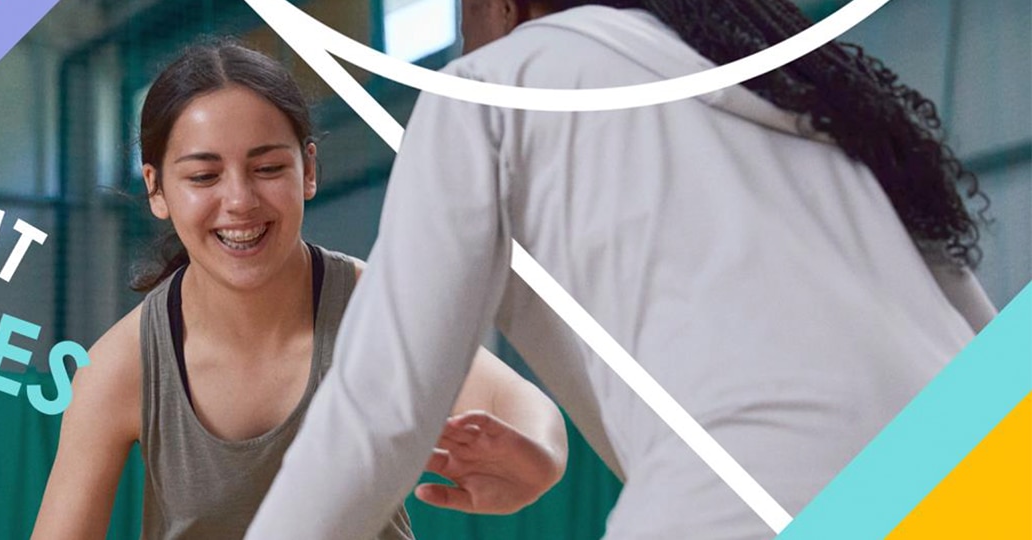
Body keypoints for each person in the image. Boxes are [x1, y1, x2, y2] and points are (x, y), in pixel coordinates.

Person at [247, 1, 998, 539]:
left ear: (501, 8)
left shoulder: (490, 88)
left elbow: (379, 412)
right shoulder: (820, 104)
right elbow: (987, 356)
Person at [29, 41, 568, 540]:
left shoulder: (370, 305)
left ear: (308, 170)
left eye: (266, 168)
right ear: (156, 189)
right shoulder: (120, 369)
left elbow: (521, 407)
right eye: (203, 177)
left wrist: (539, 457)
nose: (239, 200)